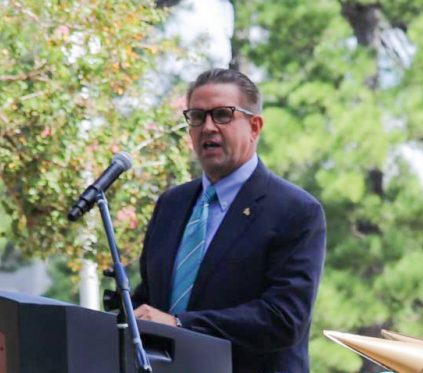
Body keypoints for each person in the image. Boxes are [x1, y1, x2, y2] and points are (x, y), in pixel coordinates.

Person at [132, 68, 326, 373]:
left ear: (255, 126)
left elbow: (284, 318)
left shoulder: (295, 210)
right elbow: (149, 298)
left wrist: (180, 325)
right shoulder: (171, 205)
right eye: (197, 116)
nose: (208, 127)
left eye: (222, 115)